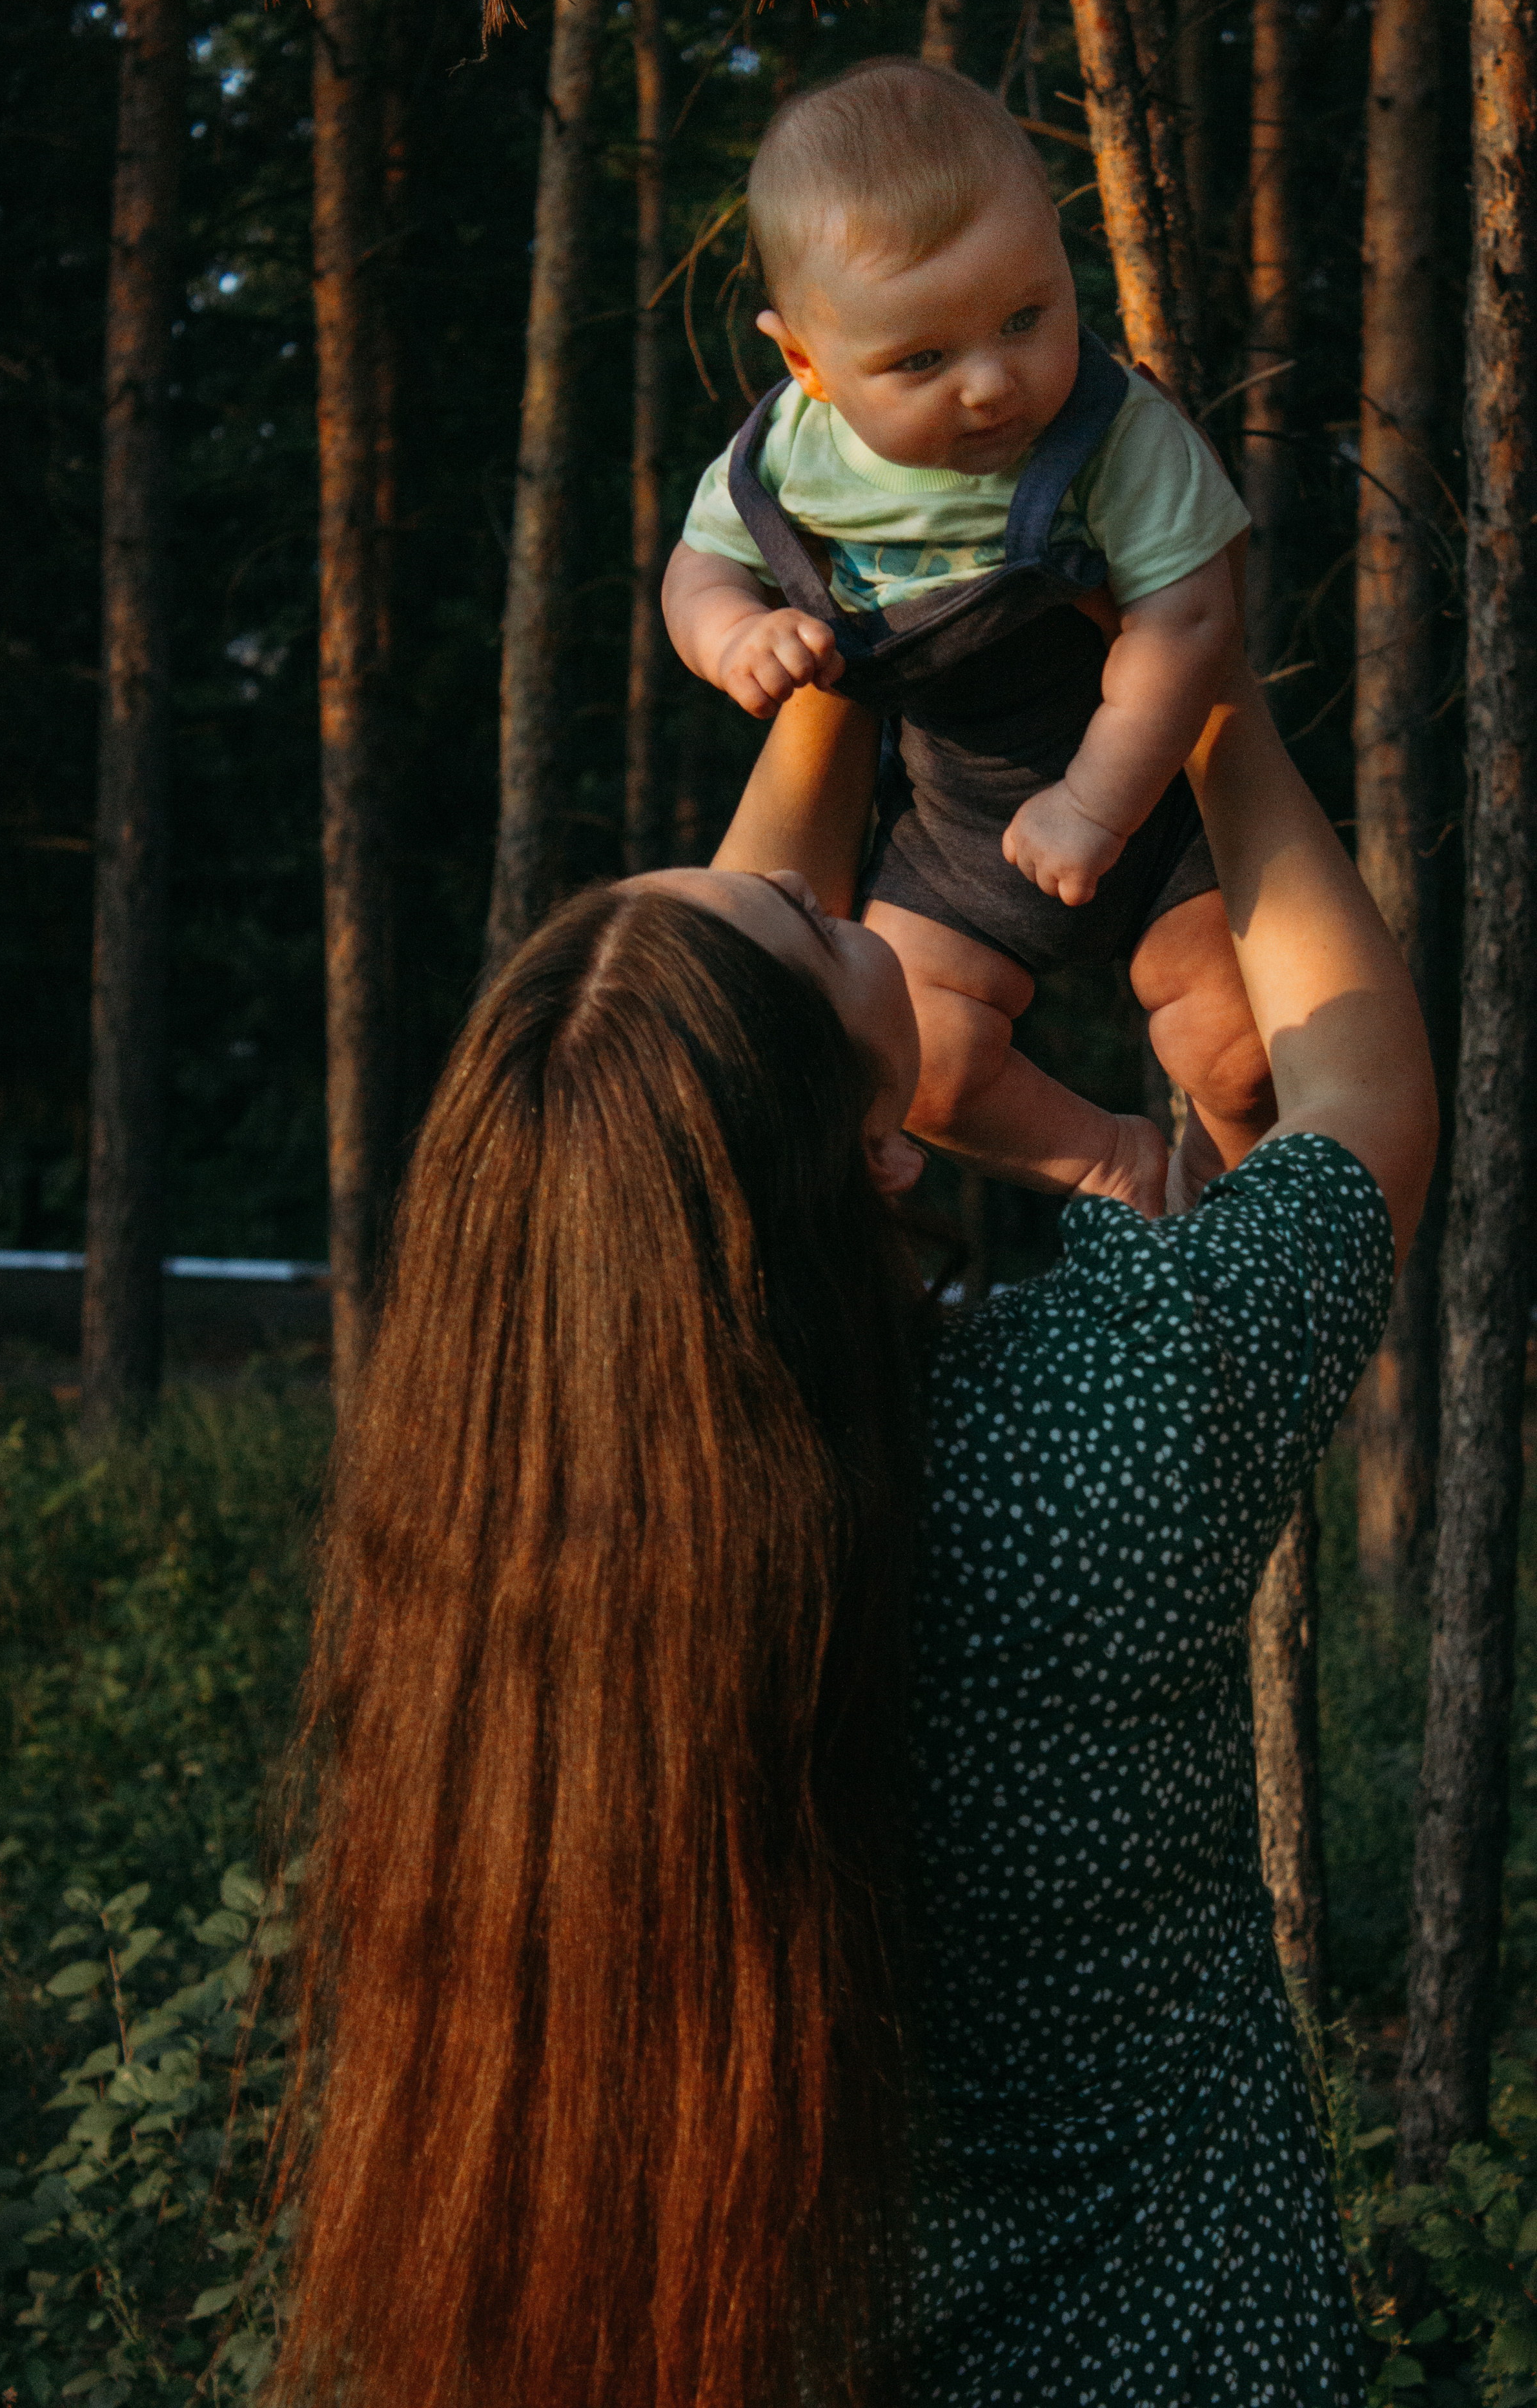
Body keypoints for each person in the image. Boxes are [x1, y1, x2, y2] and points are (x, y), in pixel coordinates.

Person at [266, 664, 1434, 2408]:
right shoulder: (1097, 1441)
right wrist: (1205, 703)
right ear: (877, 1157)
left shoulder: (519, 1581)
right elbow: (1363, 1114)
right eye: (815, 933)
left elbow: (695, 1057)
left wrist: (842, 655)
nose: (819, 896)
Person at [664, 57, 1270, 1216]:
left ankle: (1236, 1205)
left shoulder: (1112, 434)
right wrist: (733, 634)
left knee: (1237, 1047)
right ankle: (1113, 1164)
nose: (993, 385)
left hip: (1144, 791)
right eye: (923, 361)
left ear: (1058, 255)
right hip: (952, 825)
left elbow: (1192, 618)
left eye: (1026, 317)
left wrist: (1102, 800)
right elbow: (698, 566)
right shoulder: (789, 454)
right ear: (806, 362)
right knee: (922, 1070)